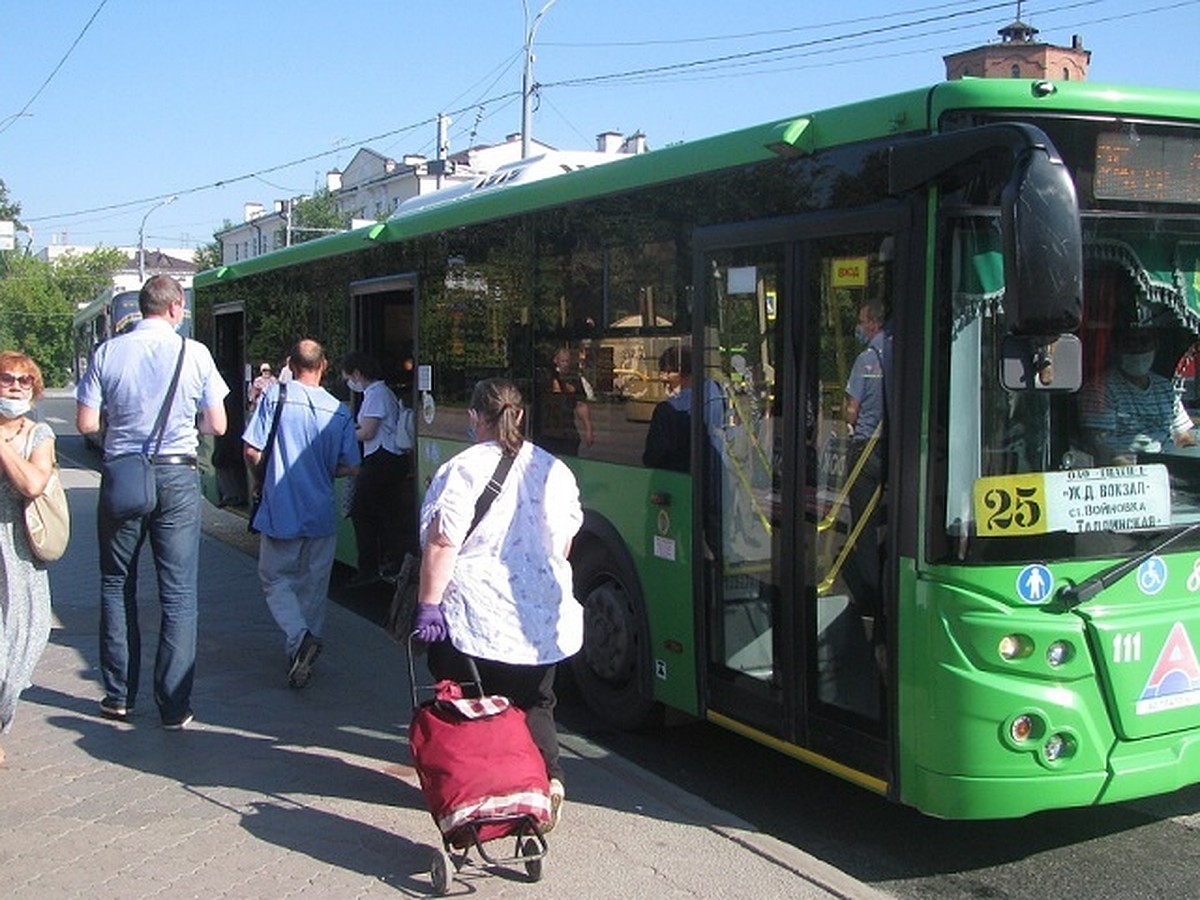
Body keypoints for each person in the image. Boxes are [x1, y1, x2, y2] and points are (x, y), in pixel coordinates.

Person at [412, 378, 583, 832]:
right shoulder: (555, 471)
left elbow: (442, 542)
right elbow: (563, 544)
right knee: (537, 703)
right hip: (541, 622)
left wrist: (429, 606)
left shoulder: (462, 469)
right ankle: (548, 780)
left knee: (470, 704)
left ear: (474, 417)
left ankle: (481, 796)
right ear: (520, 415)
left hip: (476, 620)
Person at [76, 275, 230, 730]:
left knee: (116, 582)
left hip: (124, 475)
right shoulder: (194, 352)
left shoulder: (107, 351)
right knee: (179, 594)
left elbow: (86, 421)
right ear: (176, 308)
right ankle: (174, 705)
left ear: (142, 307)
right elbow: (217, 424)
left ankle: (119, 695)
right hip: (177, 476)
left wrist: (122, 441)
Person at [244, 339, 360, 689]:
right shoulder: (339, 412)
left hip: (281, 507)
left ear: (290, 365)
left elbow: (251, 450)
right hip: (320, 513)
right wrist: (323, 470)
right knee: (313, 588)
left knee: (275, 578)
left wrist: (267, 474)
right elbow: (351, 467)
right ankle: (301, 656)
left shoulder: (275, 398)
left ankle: (299, 638)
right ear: (323, 365)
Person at [0, 352, 55, 764]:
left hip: (20, 555)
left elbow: (33, 483)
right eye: (7, 379)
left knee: (26, 643)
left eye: (24, 381)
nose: (16, 386)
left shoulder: (40, 435)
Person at [341, 351, 411, 587]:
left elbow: (368, 432)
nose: (350, 383)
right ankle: (390, 560)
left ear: (358, 374)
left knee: (362, 512)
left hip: (382, 458)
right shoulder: (380, 393)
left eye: (349, 377)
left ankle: (369, 567)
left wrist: (343, 434)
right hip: (388, 460)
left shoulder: (376, 394)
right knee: (386, 511)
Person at [1081, 325, 1197, 464]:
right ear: (1116, 348)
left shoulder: (1164, 387)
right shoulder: (1100, 390)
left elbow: (1182, 435)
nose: (1138, 349)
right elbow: (1102, 448)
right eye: (1130, 342)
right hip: (1129, 471)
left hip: (1169, 465)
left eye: (1144, 342)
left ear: (1155, 345)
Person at [843, 298, 888, 625]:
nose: (859, 327)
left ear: (872, 323)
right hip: (893, 448)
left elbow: (852, 409)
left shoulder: (866, 359)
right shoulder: (898, 352)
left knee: (863, 524)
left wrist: (848, 418)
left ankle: (871, 594)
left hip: (866, 447)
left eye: (861, 321)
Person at [534, 345, 593, 456]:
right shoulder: (545, 377)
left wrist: (588, 429)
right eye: (562, 361)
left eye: (567, 361)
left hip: (567, 431)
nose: (565, 364)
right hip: (546, 432)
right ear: (556, 361)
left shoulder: (574, 379)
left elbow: (581, 404)